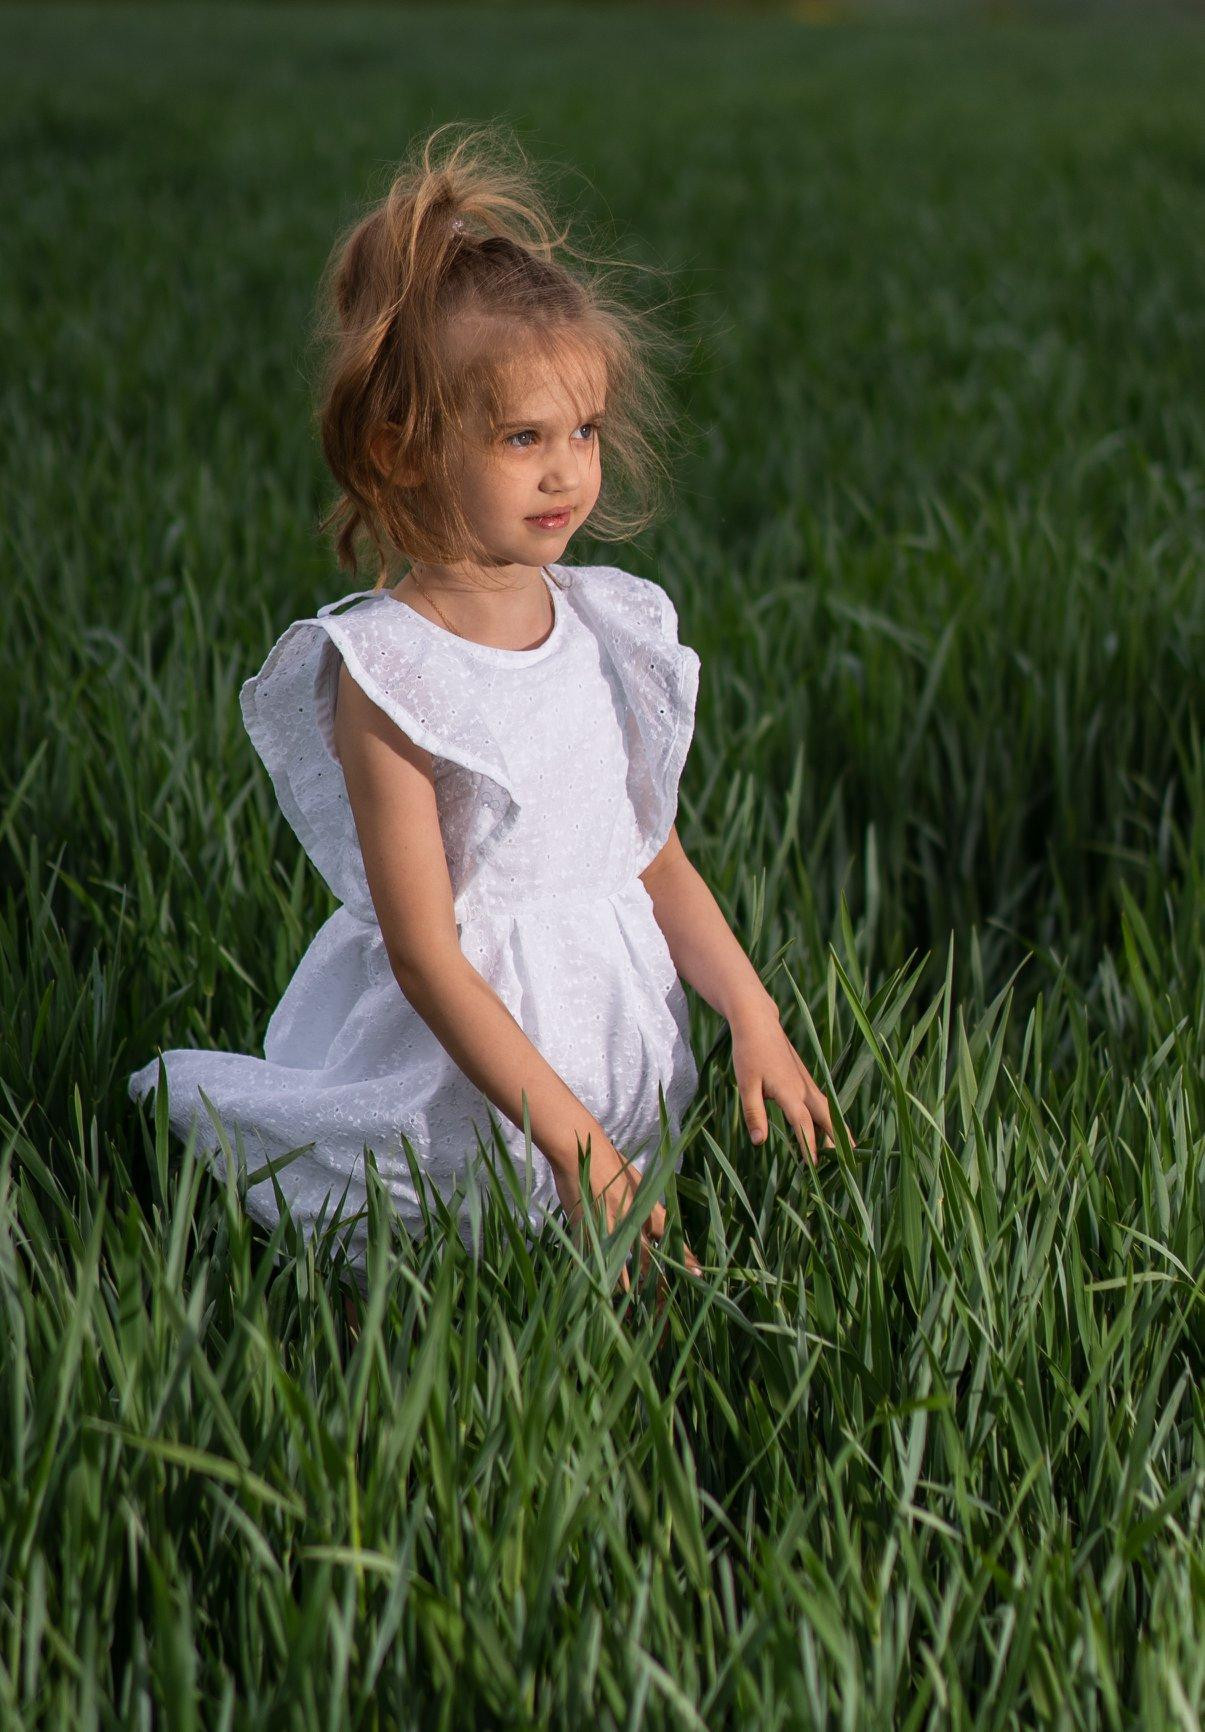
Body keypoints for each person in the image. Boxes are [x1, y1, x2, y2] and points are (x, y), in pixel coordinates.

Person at [128, 121, 852, 1304]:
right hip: (461, 1090)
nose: (568, 471)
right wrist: (566, 1143)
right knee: (448, 1281)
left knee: (608, 1286)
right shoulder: (389, 671)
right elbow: (423, 953)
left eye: (583, 432)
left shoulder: (600, 624)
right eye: (523, 438)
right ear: (401, 446)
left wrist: (753, 1015)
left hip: (608, 1074)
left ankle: (607, 1197)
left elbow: (648, 854)